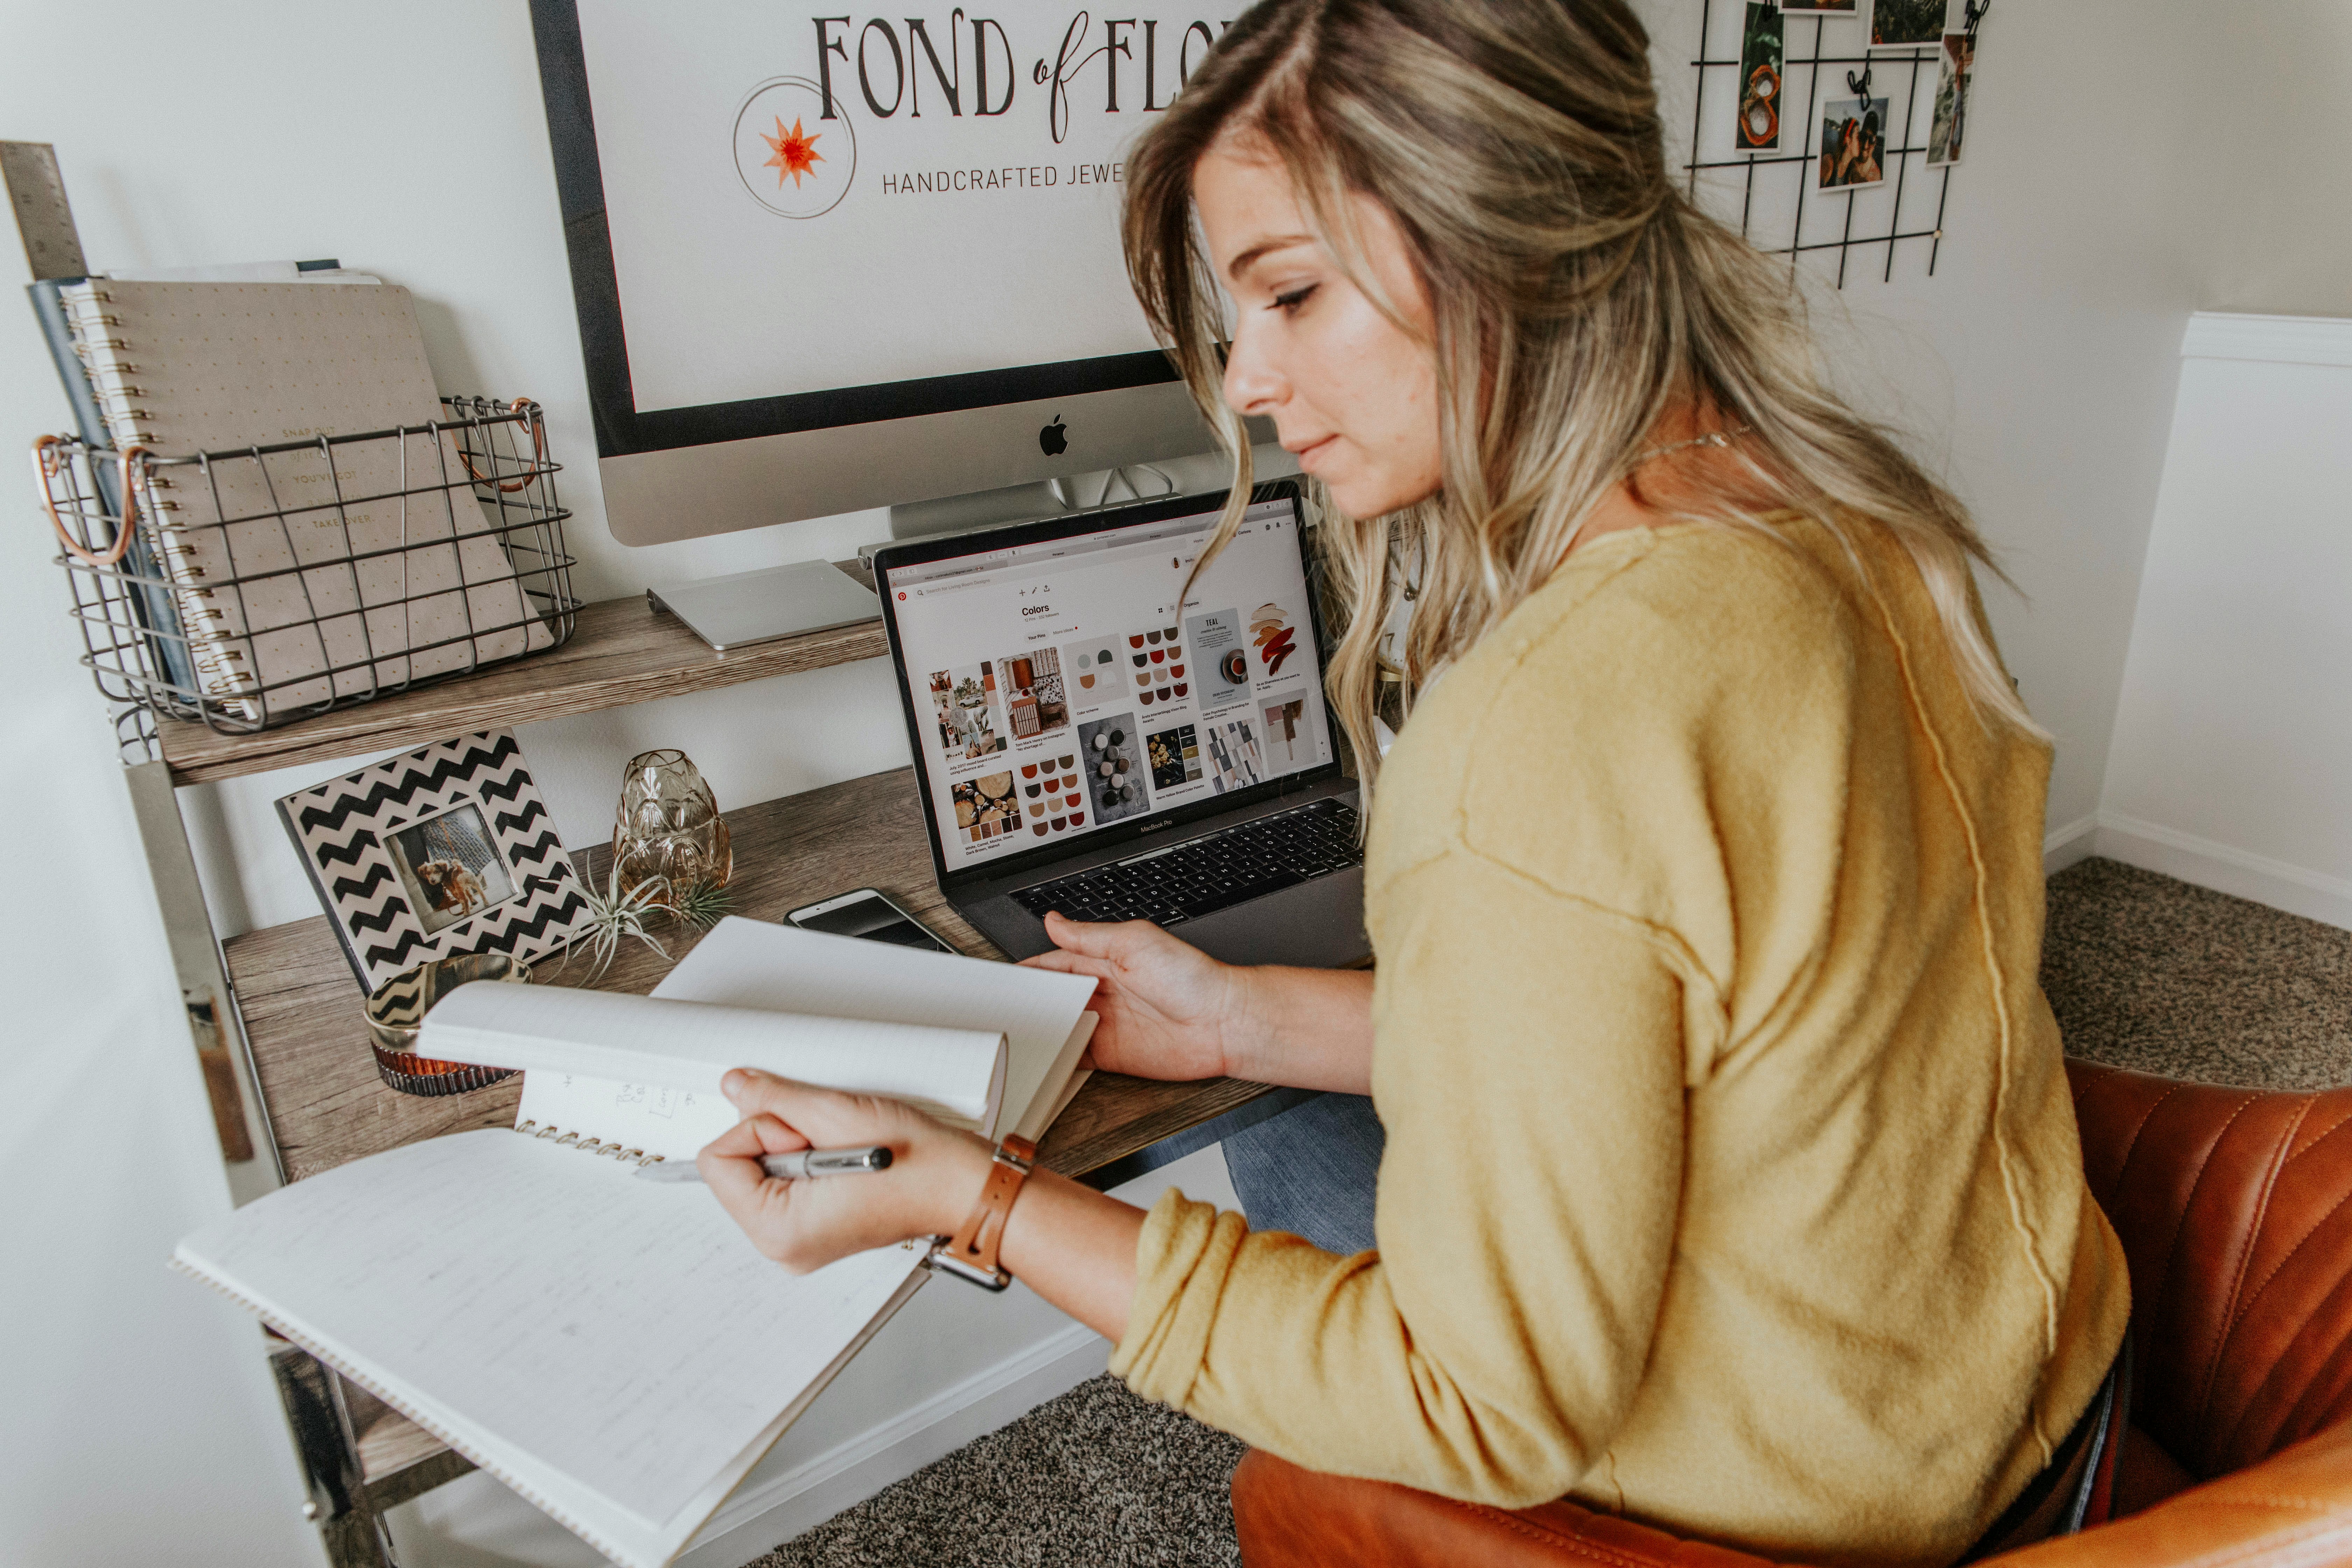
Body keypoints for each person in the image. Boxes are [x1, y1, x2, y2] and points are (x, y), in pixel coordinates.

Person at [698, 2, 2129, 1562]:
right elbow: (1709, 1028)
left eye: (1295, 295)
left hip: (1832, 1506)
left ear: (1513, 233)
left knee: (1277, 1180)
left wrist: (977, 1197)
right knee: (1288, 1125)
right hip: (2033, 1384)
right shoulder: (1859, 517)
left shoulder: (1538, 728)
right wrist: (1248, 1015)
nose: (1247, 380)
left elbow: (1485, 1408)